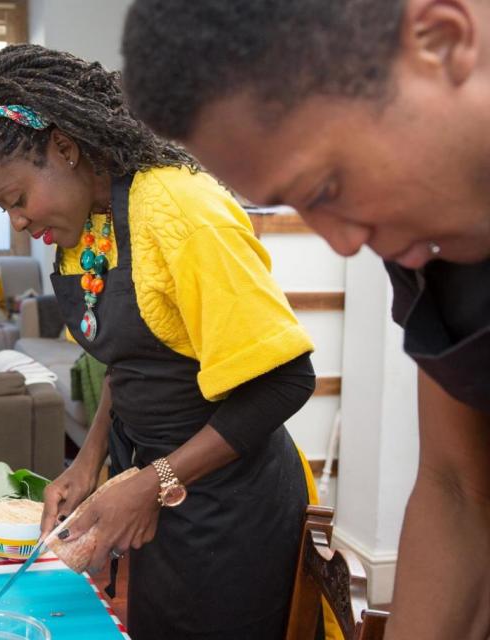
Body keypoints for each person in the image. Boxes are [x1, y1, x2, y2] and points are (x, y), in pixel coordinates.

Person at [120, 1, 490, 638]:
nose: (342, 245)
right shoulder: (438, 254)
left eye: (325, 187)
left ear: (442, 40)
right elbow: (457, 486)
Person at [0, 44, 324, 640]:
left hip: (234, 509)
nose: (17, 222)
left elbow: (286, 381)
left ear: (65, 149)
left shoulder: (183, 212)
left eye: (16, 199)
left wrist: (158, 482)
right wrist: (91, 458)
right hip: (156, 495)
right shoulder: (90, 223)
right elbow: (133, 358)